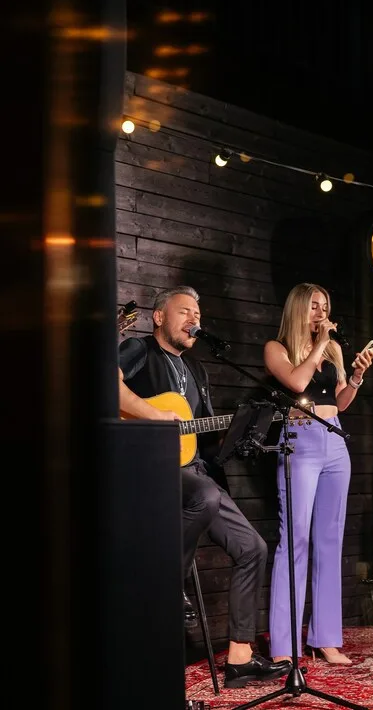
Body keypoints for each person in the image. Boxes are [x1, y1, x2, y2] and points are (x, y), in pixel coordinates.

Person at [118, 285, 291, 688]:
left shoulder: (197, 370)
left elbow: (205, 437)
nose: (194, 319)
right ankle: (168, 581)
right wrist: (154, 414)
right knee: (206, 496)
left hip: (193, 470)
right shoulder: (140, 349)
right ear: (159, 316)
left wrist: (243, 435)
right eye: (184, 312)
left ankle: (240, 659)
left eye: (198, 314)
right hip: (149, 466)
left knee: (253, 548)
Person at [263, 282, 373, 665]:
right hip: (300, 441)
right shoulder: (277, 348)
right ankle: (284, 645)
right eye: (314, 306)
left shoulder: (332, 349)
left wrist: (355, 377)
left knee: (330, 541)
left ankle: (325, 638)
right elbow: (297, 382)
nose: (322, 313)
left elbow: (340, 402)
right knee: (294, 540)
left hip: (335, 441)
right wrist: (319, 345)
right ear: (298, 308)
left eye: (325, 306)